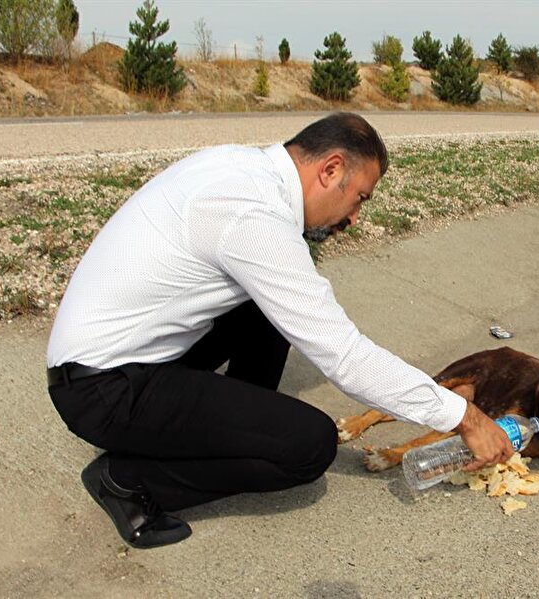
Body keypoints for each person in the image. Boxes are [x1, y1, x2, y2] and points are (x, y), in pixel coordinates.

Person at [46, 112, 514, 548]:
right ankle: (131, 481)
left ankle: (220, 435)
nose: (354, 219)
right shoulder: (253, 215)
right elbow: (345, 358)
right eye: (360, 199)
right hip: (103, 391)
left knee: (267, 310)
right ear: (331, 169)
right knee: (309, 446)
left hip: (112, 359)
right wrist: (465, 418)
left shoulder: (241, 167)